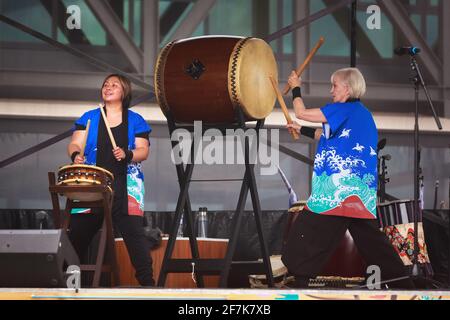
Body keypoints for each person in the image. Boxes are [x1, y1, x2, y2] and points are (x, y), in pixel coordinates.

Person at [281, 68, 414, 289]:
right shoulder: (359, 114)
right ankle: (403, 284)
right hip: (358, 193)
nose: (331, 91)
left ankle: (300, 284)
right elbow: (326, 137)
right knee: (372, 243)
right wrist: (301, 130)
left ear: (348, 88)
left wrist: (296, 87)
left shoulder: (344, 109)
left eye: (334, 85)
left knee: (305, 231)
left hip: (337, 194)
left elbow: (301, 112)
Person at [67, 74, 154, 286]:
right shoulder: (89, 117)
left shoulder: (135, 120)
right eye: (105, 84)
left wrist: (128, 154)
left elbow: (144, 151)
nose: (108, 87)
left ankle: (149, 286)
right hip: (91, 186)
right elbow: (74, 144)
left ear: (124, 92)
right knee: (76, 236)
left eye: (114, 85)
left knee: (135, 238)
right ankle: (66, 284)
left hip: (127, 188)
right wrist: (75, 155)